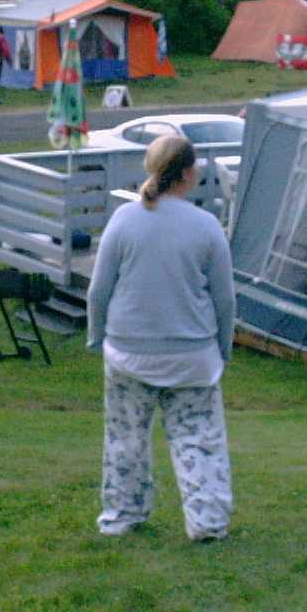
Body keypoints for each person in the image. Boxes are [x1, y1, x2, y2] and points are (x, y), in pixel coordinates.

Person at [86, 134, 235, 541]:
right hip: (192, 355)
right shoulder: (206, 225)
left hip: (129, 350)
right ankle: (207, 520)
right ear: (188, 173)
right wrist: (223, 347)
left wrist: (96, 336)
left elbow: (100, 289)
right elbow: (224, 298)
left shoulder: (124, 219)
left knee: (125, 437)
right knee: (198, 437)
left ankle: (122, 514)